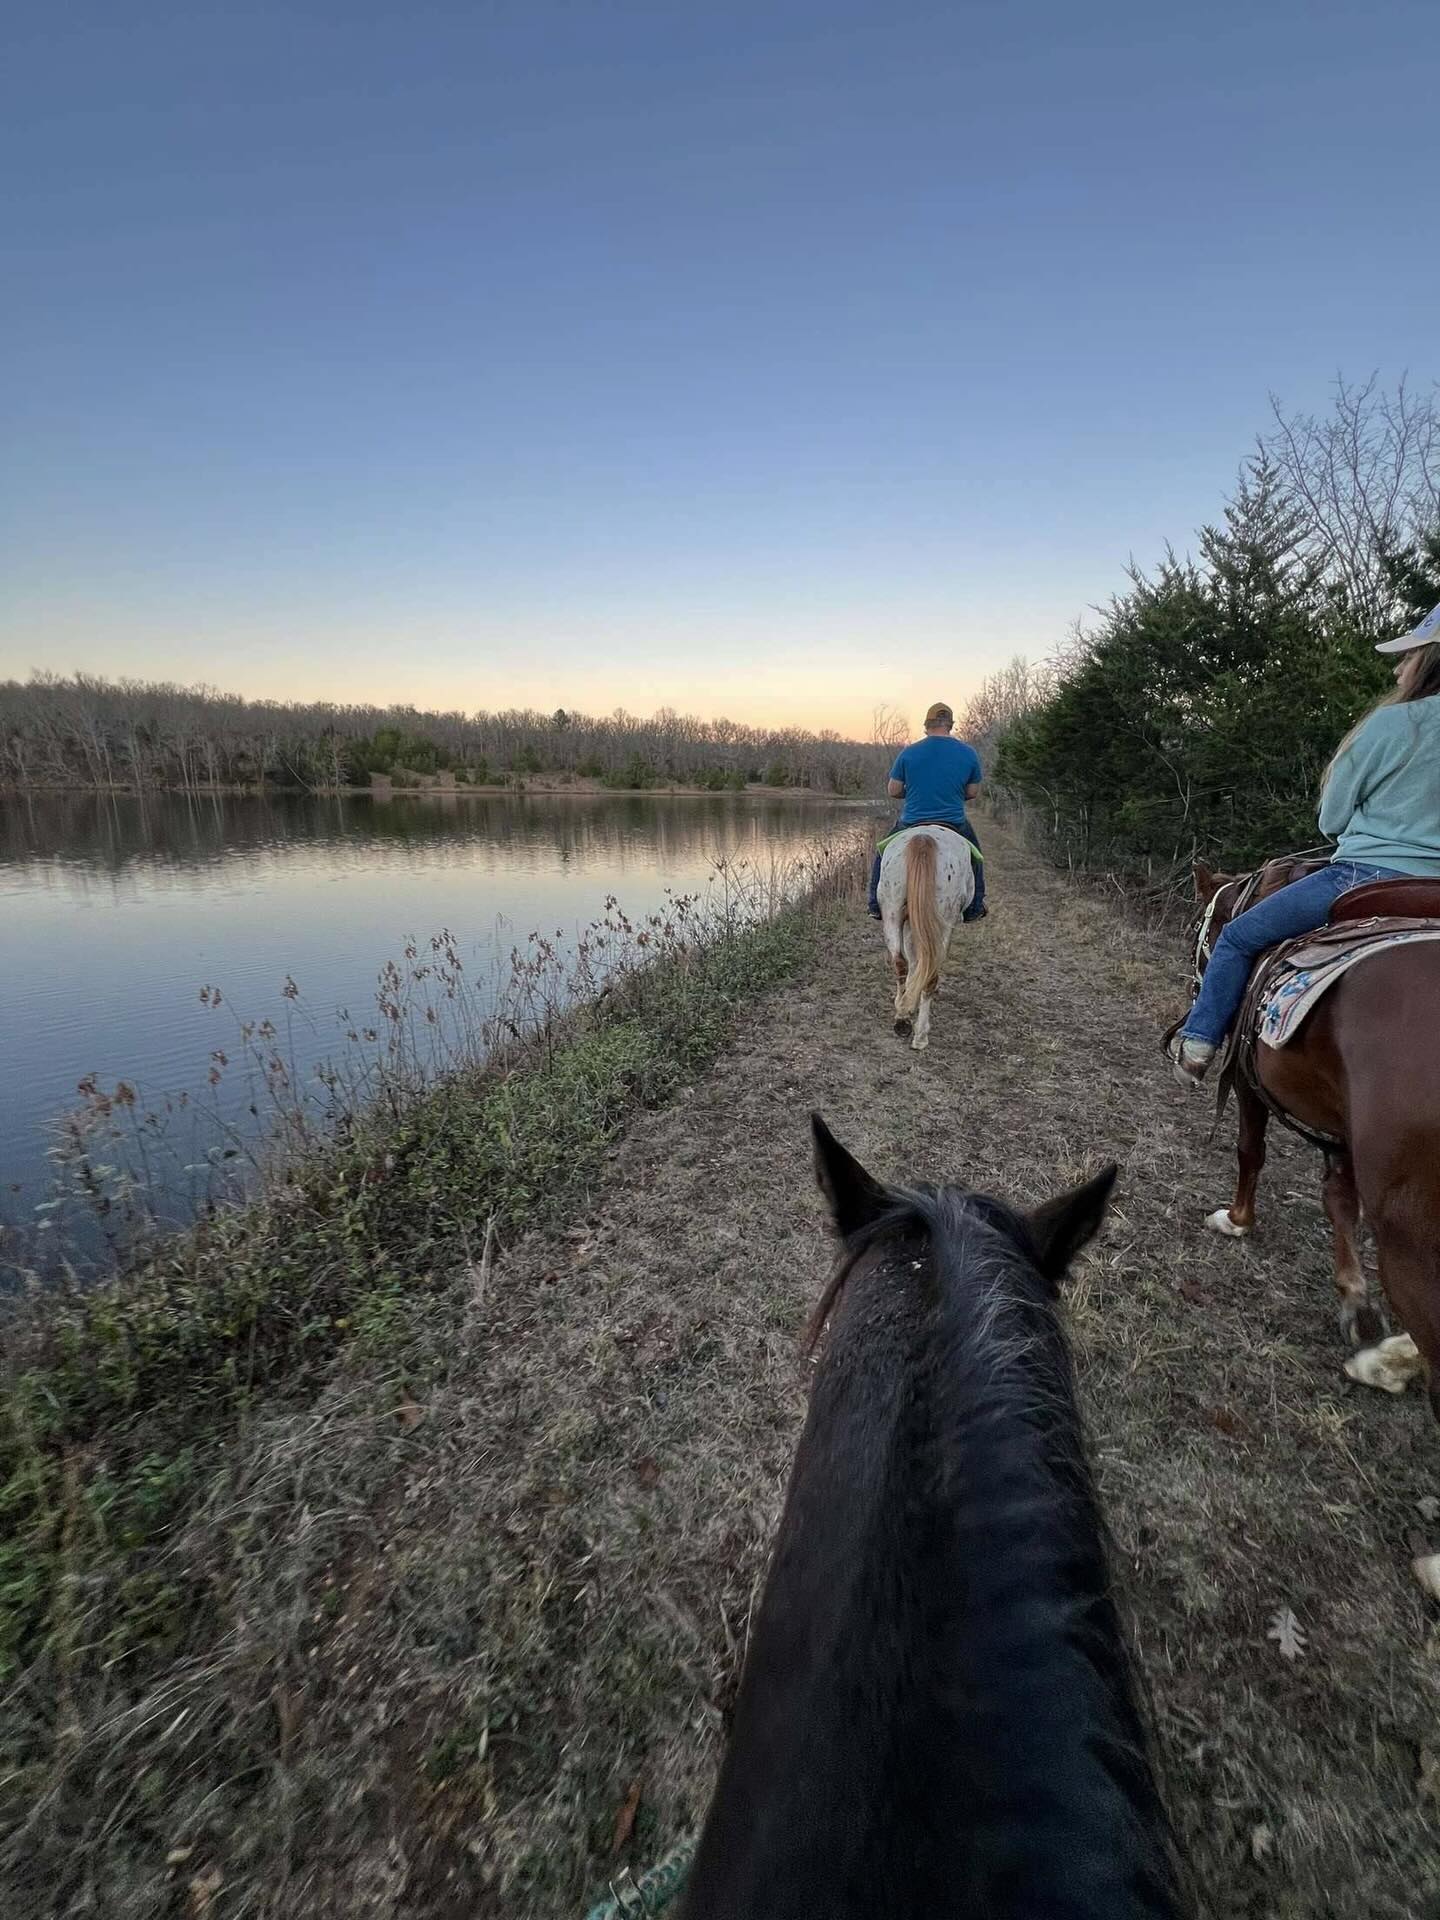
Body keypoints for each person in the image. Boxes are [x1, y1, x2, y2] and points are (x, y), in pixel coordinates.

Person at [1171, 600, 1440, 1087]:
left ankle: (1198, 1042)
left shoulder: (1392, 723)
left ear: (1429, 660)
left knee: (1237, 937)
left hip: (1366, 877)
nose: (1399, 668)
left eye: (1409, 656)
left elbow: (1332, 818)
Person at [867, 701, 987, 921]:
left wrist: (916, 791)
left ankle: (874, 904)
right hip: (953, 821)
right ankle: (975, 907)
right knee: (975, 856)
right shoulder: (968, 753)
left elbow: (893, 790)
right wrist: (950, 793)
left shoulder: (909, 752)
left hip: (912, 821)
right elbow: (972, 791)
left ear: (926, 725)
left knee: (883, 853)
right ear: (950, 724)